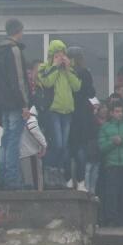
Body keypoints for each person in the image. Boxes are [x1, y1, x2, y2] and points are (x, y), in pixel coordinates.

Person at [37, 39, 82, 188]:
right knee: (56, 143)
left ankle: (59, 172)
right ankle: (50, 171)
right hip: (53, 110)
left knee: (64, 146)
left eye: (62, 53)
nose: (61, 56)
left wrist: (68, 69)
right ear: (51, 54)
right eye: (57, 54)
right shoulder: (45, 68)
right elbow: (47, 82)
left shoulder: (68, 69)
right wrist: (55, 67)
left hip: (67, 111)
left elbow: (77, 86)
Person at [0, 18, 31, 191]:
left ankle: (2, 177)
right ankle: (13, 179)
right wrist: (24, 103)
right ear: (18, 30)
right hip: (15, 102)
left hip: (3, 101)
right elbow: (19, 79)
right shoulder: (14, 50)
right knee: (14, 141)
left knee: (6, 140)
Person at [67, 47, 97, 192]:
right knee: (81, 149)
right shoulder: (84, 73)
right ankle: (80, 180)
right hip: (83, 114)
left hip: (69, 112)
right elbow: (91, 92)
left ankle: (67, 179)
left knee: (70, 149)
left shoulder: (66, 72)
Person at [20, 104, 48, 191]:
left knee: (26, 184)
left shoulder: (19, 117)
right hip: (31, 154)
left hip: (22, 153)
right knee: (35, 185)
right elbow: (33, 128)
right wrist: (44, 145)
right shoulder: (32, 117)